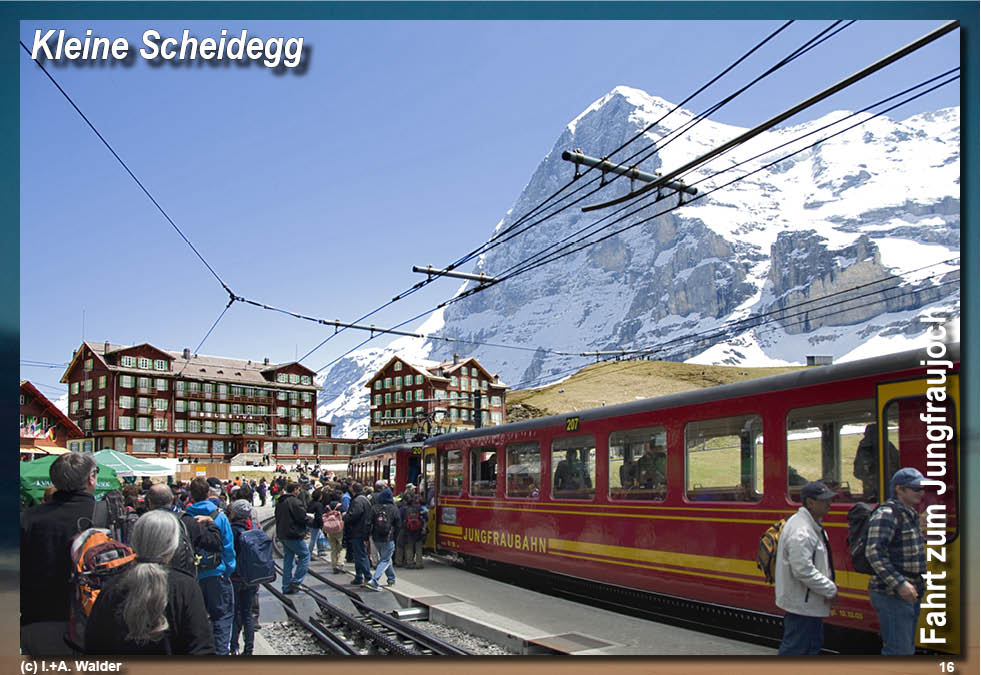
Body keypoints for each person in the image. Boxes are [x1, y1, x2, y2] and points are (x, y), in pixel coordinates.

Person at [85, 510, 215, 655]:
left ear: (134, 541)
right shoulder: (185, 587)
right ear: (173, 545)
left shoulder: (113, 587)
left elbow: (94, 646)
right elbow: (201, 647)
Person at [21, 453, 102, 655]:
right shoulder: (107, 515)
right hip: (93, 619)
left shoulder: (27, 519)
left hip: (38, 619)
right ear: (91, 478)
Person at [866, 467, 927, 655]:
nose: (921, 492)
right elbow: (874, 552)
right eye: (916, 489)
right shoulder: (887, 514)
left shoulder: (910, 513)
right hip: (891, 593)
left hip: (909, 591)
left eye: (922, 488)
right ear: (899, 489)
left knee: (905, 648)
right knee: (898, 651)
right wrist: (900, 584)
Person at [774, 481, 838, 654]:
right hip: (803, 604)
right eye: (824, 500)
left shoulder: (809, 525)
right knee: (797, 649)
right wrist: (829, 589)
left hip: (808, 601)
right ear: (810, 503)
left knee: (808, 647)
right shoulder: (802, 532)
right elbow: (803, 570)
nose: (829, 504)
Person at [185, 477, 236, 655]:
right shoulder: (219, 517)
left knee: (196, 620)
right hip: (217, 573)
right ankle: (221, 654)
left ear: (190, 495)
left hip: (192, 576)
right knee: (222, 616)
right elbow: (228, 547)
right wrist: (228, 569)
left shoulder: (185, 517)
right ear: (208, 493)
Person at [145, 484, 223, 578]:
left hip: (151, 579)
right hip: (182, 578)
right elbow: (215, 542)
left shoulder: (142, 524)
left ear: (149, 502)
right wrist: (211, 523)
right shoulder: (186, 521)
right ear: (172, 499)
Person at [227, 499, 258, 656]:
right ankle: (249, 649)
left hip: (235, 577)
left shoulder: (231, 530)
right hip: (251, 578)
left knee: (234, 613)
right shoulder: (254, 528)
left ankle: (233, 647)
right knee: (247, 614)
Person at [275, 482, 310, 595]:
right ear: (295, 490)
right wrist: (314, 521)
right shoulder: (295, 502)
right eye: (298, 490)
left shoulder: (280, 501)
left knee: (288, 560)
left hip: (283, 534)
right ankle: (296, 582)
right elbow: (302, 518)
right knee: (305, 555)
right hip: (293, 534)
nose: (299, 492)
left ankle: (286, 586)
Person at [853, 424, 900, 500]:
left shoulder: (865, 448)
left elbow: (858, 472)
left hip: (878, 490)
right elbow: (859, 471)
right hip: (877, 491)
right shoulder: (866, 448)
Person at [364, 487, 399, 591]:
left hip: (376, 538)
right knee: (385, 559)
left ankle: (391, 579)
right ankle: (374, 580)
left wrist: (366, 537)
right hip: (389, 537)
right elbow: (398, 524)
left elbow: (368, 523)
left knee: (386, 558)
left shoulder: (374, 508)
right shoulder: (393, 508)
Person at [342, 482, 372, 586]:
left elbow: (354, 514)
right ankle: (359, 576)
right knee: (359, 554)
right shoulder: (364, 499)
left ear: (353, 490)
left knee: (361, 555)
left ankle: (368, 577)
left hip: (357, 531)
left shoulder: (358, 501)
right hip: (362, 530)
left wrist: (345, 516)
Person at [402, 492, 428, 569]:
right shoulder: (418, 507)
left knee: (409, 547)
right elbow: (426, 517)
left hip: (408, 530)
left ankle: (410, 563)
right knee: (418, 547)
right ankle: (419, 563)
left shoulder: (403, 509)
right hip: (418, 530)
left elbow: (400, 519)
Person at [324, 490, 345, 574]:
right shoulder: (340, 506)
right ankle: (340, 563)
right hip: (339, 528)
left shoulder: (327, 507)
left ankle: (334, 565)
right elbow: (344, 515)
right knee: (342, 547)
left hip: (329, 529)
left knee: (333, 548)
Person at [307, 488, 328, 559]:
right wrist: (322, 525)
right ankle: (308, 554)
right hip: (315, 524)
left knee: (320, 536)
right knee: (313, 539)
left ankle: (320, 551)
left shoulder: (310, 503)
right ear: (319, 497)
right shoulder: (319, 505)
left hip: (309, 522)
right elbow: (319, 516)